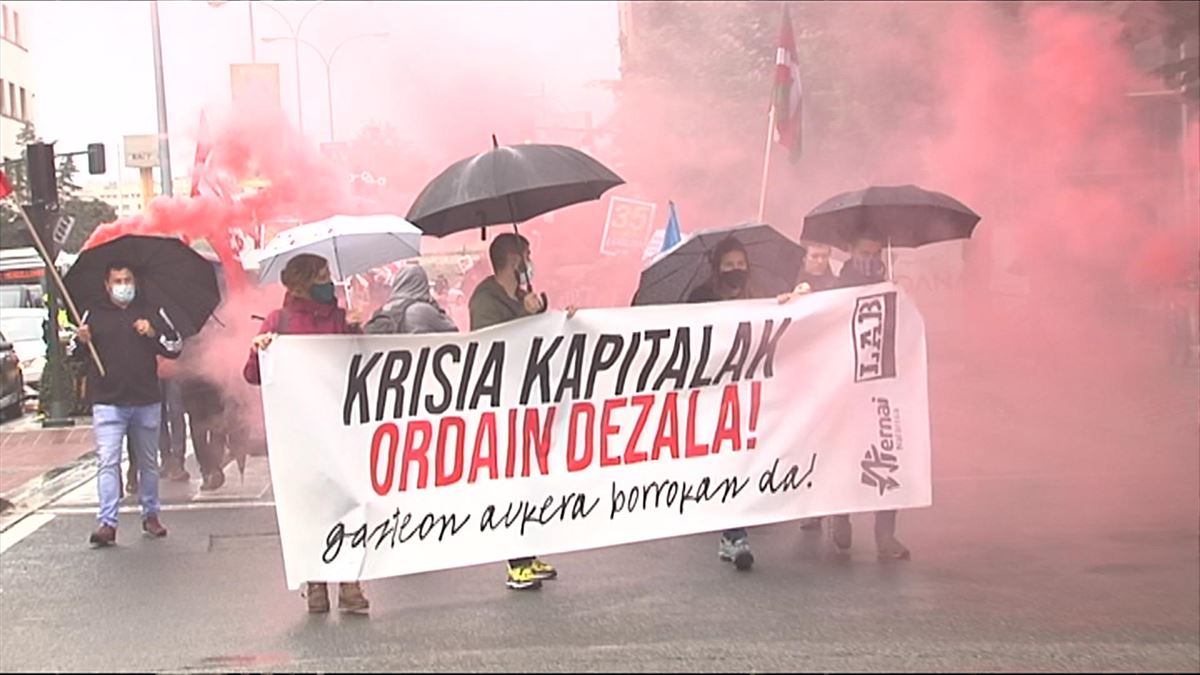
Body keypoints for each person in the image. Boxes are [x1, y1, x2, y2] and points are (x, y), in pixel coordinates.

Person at [243, 253, 370, 614]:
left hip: (340, 427)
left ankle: (349, 583)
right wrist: (260, 350)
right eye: (321, 275)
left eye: (329, 274)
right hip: (301, 433)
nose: (328, 281)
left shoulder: (342, 319)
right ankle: (316, 583)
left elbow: (362, 366)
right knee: (311, 506)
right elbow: (252, 375)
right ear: (302, 282)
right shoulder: (277, 321)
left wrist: (358, 329)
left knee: (348, 503)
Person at [469, 233, 560, 591]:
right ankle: (515, 561)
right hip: (503, 400)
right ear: (513, 259)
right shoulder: (485, 299)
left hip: (529, 396)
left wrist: (551, 314)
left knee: (531, 478)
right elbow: (492, 343)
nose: (530, 261)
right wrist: (526, 314)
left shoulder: (522, 296)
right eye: (527, 254)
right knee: (510, 480)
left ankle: (529, 550)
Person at [73, 261, 182, 547]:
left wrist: (153, 333)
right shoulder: (92, 314)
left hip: (145, 398)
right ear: (107, 285)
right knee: (108, 460)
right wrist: (82, 340)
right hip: (108, 400)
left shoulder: (151, 310)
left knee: (148, 462)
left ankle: (151, 514)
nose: (124, 286)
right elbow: (74, 354)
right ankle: (107, 522)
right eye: (118, 281)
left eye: (128, 280)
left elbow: (175, 346)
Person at [830, 231, 910, 561]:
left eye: (876, 253)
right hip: (846, 382)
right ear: (850, 250)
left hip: (883, 382)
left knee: (888, 452)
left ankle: (885, 533)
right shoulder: (836, 287)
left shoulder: (890, 285)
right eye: (865, 252)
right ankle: (840, 514)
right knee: (847, 452)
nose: (870, 259)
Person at [686, 235, 759, 571]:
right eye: (728, 266)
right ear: (717, 269)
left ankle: (731, 537)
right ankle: (736, 535)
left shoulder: (759, 298)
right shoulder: (699, 299)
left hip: (747, 394)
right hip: (712, 395)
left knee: (741, 461)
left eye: (740, 265)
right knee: (728, 461)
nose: (735, 271)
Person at [364, 265, 459, 335]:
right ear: (422, 283)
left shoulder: (384, 310)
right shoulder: (423, 310)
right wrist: (435, 307)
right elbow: (453, 332)